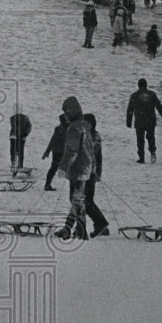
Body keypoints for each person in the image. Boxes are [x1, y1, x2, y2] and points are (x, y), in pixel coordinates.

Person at [54, 96, 95, 240]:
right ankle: (69, 228)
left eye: (66, 111)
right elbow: (90, 148)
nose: (65, 115)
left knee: (76, 200)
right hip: (86, 168)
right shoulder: (84, 125)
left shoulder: (73, 127)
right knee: (78, 199)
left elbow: (72, 150)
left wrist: (63, 167)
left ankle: (81, 231)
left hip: (77, 169)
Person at [126, 78, 162, 164]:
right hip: (150, 120)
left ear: (138, 85)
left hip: (139, 121)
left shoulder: (134, 96)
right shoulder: (152, 94)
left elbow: (130, 110)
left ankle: (142, 158)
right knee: (151, 137)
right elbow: (159, 107)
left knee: (140, 140)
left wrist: (129, 122)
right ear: (146, 85)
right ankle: (153, 153)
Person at [82, 113, 110, 238]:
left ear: (92, 124)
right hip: (83, 172)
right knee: (87, 201)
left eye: (88, 123)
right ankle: (101, 225)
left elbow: (94, 155)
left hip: (89, 173)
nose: (86, 125)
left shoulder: (94, 137)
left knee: (85, 201)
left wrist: (98, 173)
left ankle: (101, 223)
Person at [41, 114, 68, 191]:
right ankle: (47, 185)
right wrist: (47, 151)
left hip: (56, 151)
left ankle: (47, 184)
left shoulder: (59, 129)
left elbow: (52, 140)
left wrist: (47, 151)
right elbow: (53, 140)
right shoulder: (65, 129)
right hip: (61, 151)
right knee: (54, 168)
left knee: (53, 168)